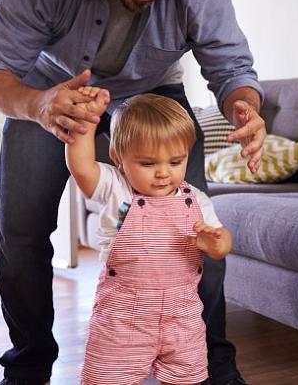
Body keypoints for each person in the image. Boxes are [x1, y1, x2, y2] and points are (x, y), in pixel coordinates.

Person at [0, 0, 265, 384]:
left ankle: (216, 370)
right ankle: (27, 370)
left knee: (194, 230)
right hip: (51, 88)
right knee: (20, 229)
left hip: (153, 90)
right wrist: (39, 105)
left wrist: (243, 108)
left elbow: (232, 70)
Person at [67, 90, 231, 385]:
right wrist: (87, 120)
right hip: (122, 321)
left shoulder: (197, 200)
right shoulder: (116, 188)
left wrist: (218, 244)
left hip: (182, 321)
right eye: (147, 163)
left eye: (176, 161)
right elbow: (80, 167)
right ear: (119, 158)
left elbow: (222, 241)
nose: (163, 173)